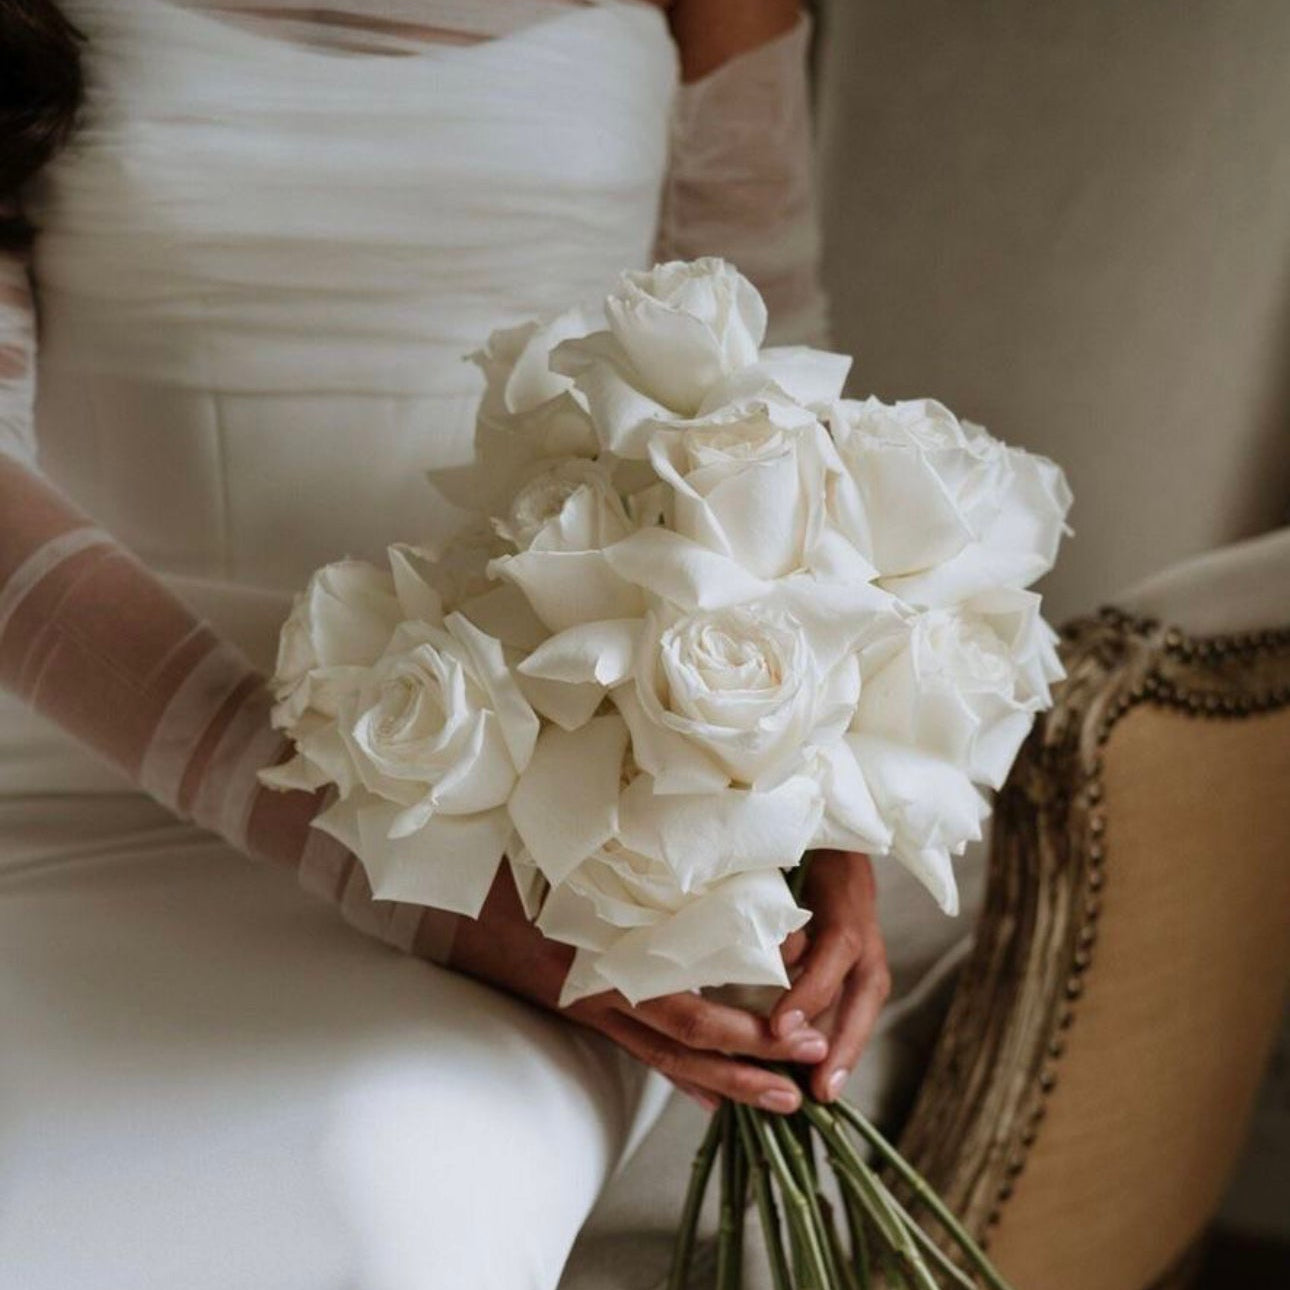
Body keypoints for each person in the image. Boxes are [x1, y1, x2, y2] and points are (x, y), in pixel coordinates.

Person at [0, 2, 904, 1285]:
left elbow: (767, 378)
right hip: (79, 766)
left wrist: (822, 813)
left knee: (389, 1180)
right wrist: (423, 900)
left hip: (545, 835)